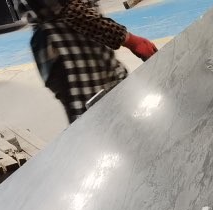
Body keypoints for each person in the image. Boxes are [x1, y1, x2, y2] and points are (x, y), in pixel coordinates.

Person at [15, 0, 159, 120]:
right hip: (67, 53)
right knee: (96, 117)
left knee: (117, 104)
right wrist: (130, 40)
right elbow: (72, 11)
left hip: (86, 43)